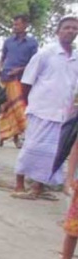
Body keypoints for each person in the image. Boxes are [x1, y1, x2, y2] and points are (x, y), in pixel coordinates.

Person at [13, 17, 78, 200]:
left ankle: (37, 188)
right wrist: (30, 104)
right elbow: (26, 82)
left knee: (51, 153)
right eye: (66, 28)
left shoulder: (76, 58)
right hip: (40, 110)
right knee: (31, 148)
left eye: (74, 28)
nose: (70, 31)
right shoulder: (45, 54)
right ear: (58, 31)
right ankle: (19, 185)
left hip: (62, 114)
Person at [0, 15, 39, 148]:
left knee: (17, 109)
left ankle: (16, 139)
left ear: (25, 25)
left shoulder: (32, 43)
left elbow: (34, 63)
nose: (14, 27)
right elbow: (2, 57)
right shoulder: (8, 41)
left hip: (21, 80)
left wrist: (19, 70)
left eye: (17, 25)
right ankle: (1, 138)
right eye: (13, 25)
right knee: (4, 109)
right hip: (5, 78)